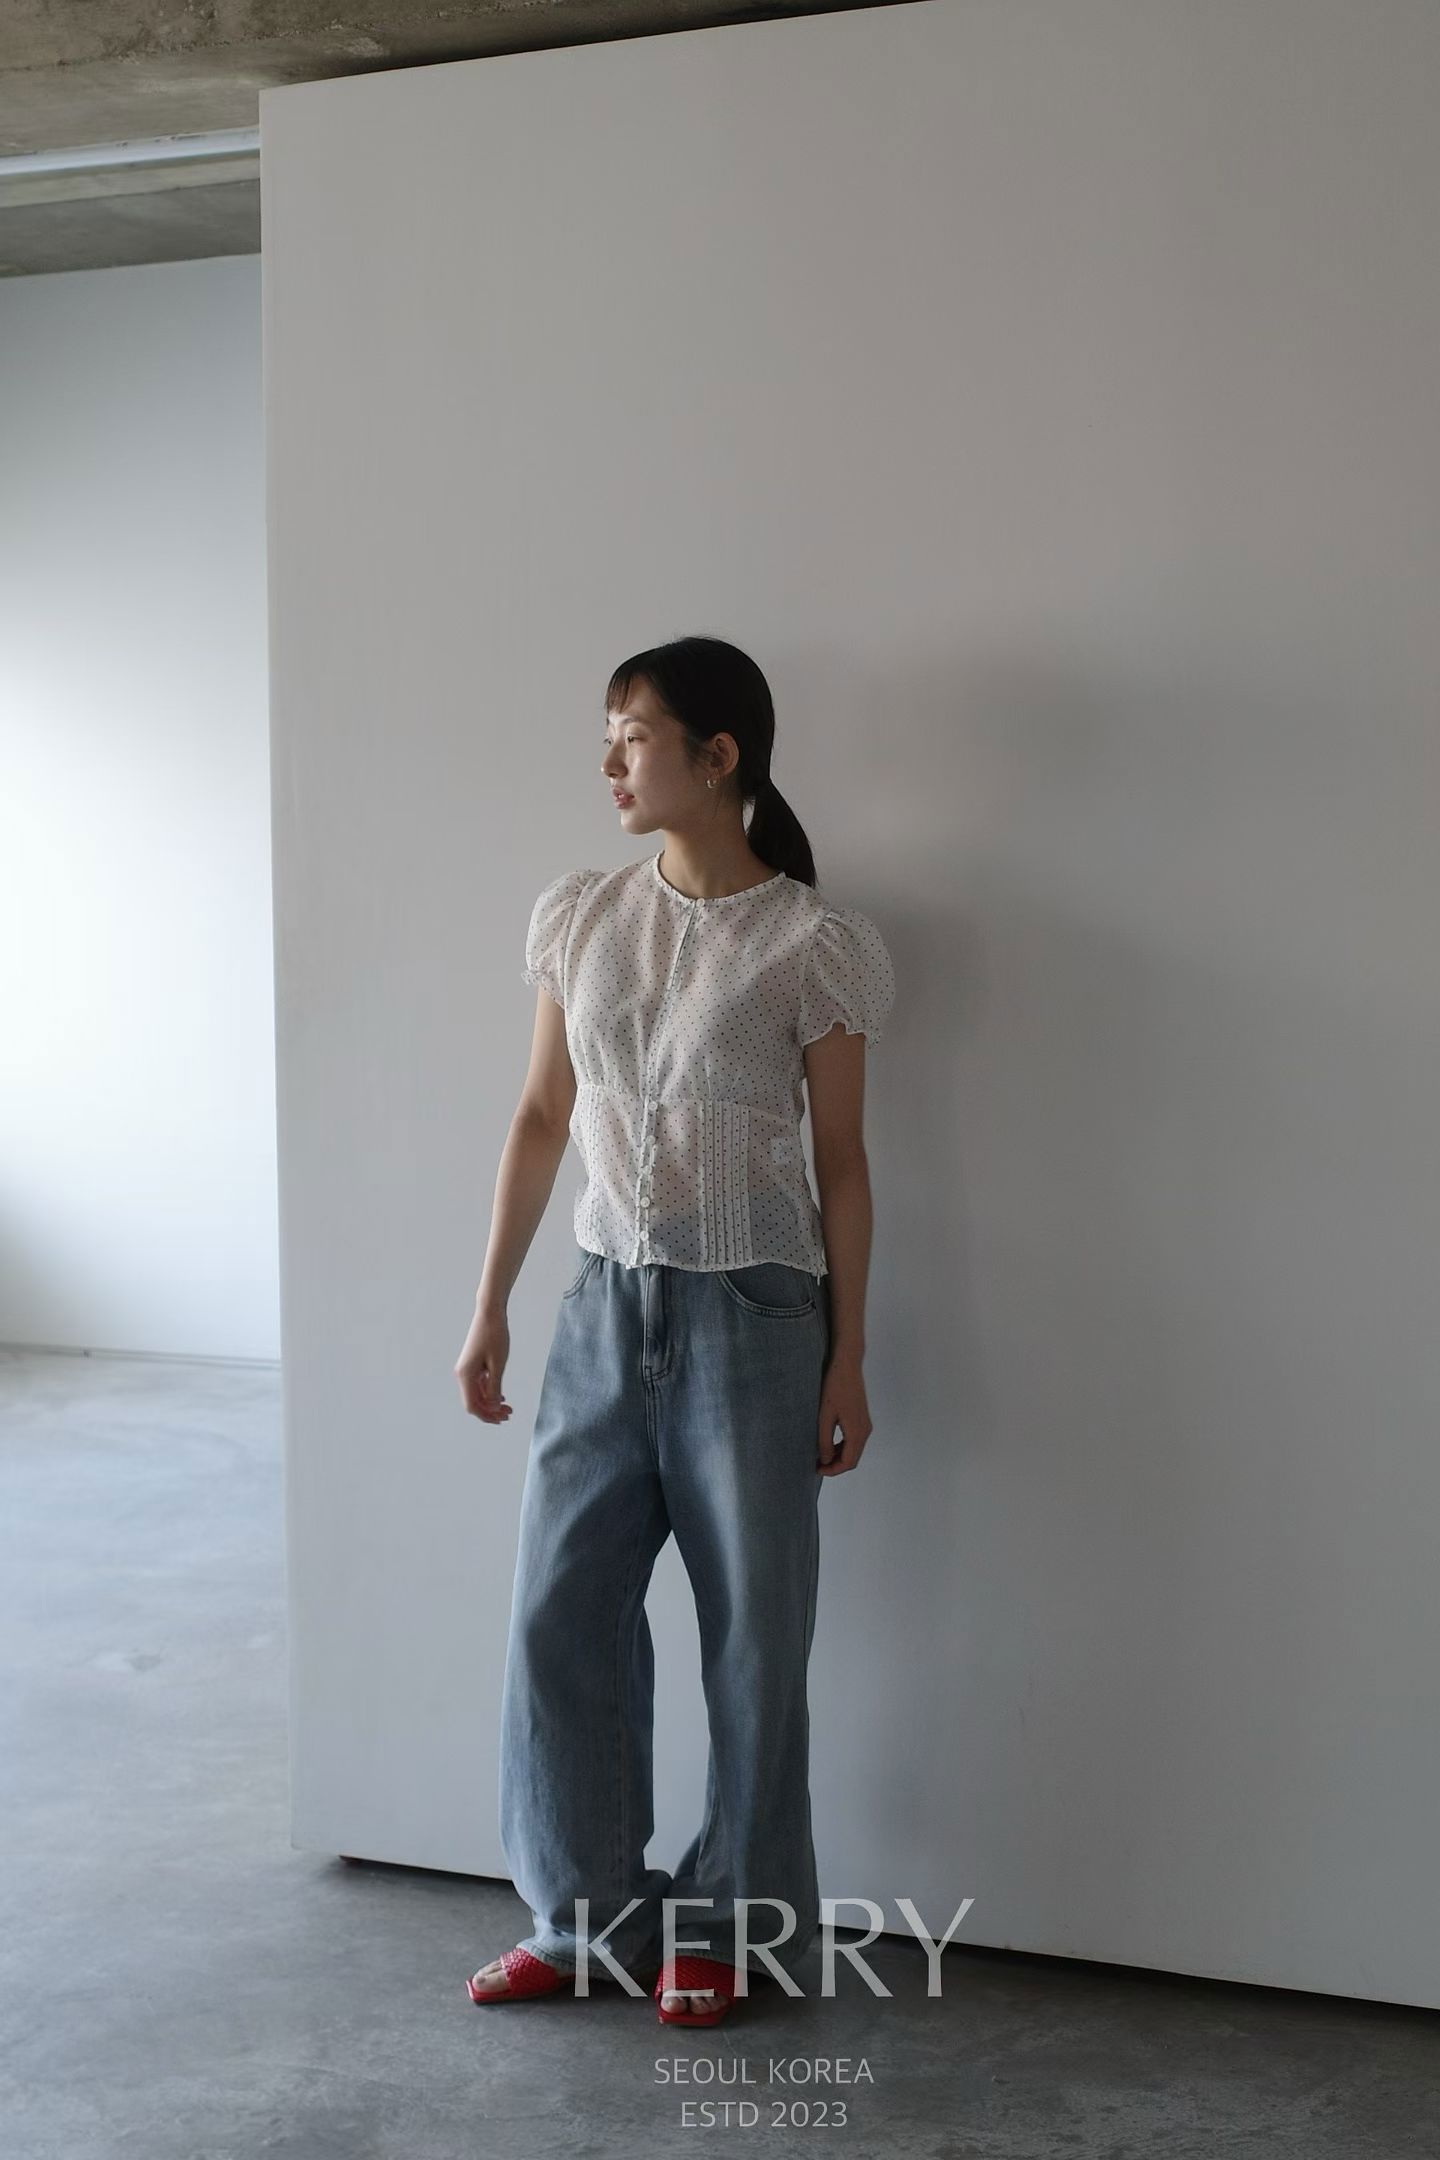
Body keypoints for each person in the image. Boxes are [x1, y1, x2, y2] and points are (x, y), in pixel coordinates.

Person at [454, 635, 895, 2025]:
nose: (609, 761)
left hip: (755, 1319)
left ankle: (728, 1926)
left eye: (633, 735)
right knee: (560, 1617)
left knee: (754, 1640)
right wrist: (490, 1306)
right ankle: (583, 1916)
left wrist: (847, 1354)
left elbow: (842, 1168)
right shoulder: (580, 916)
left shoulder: (814, 944)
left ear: (719, 757)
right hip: (602, 1310)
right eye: (608, 733)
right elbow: (542, 1117)